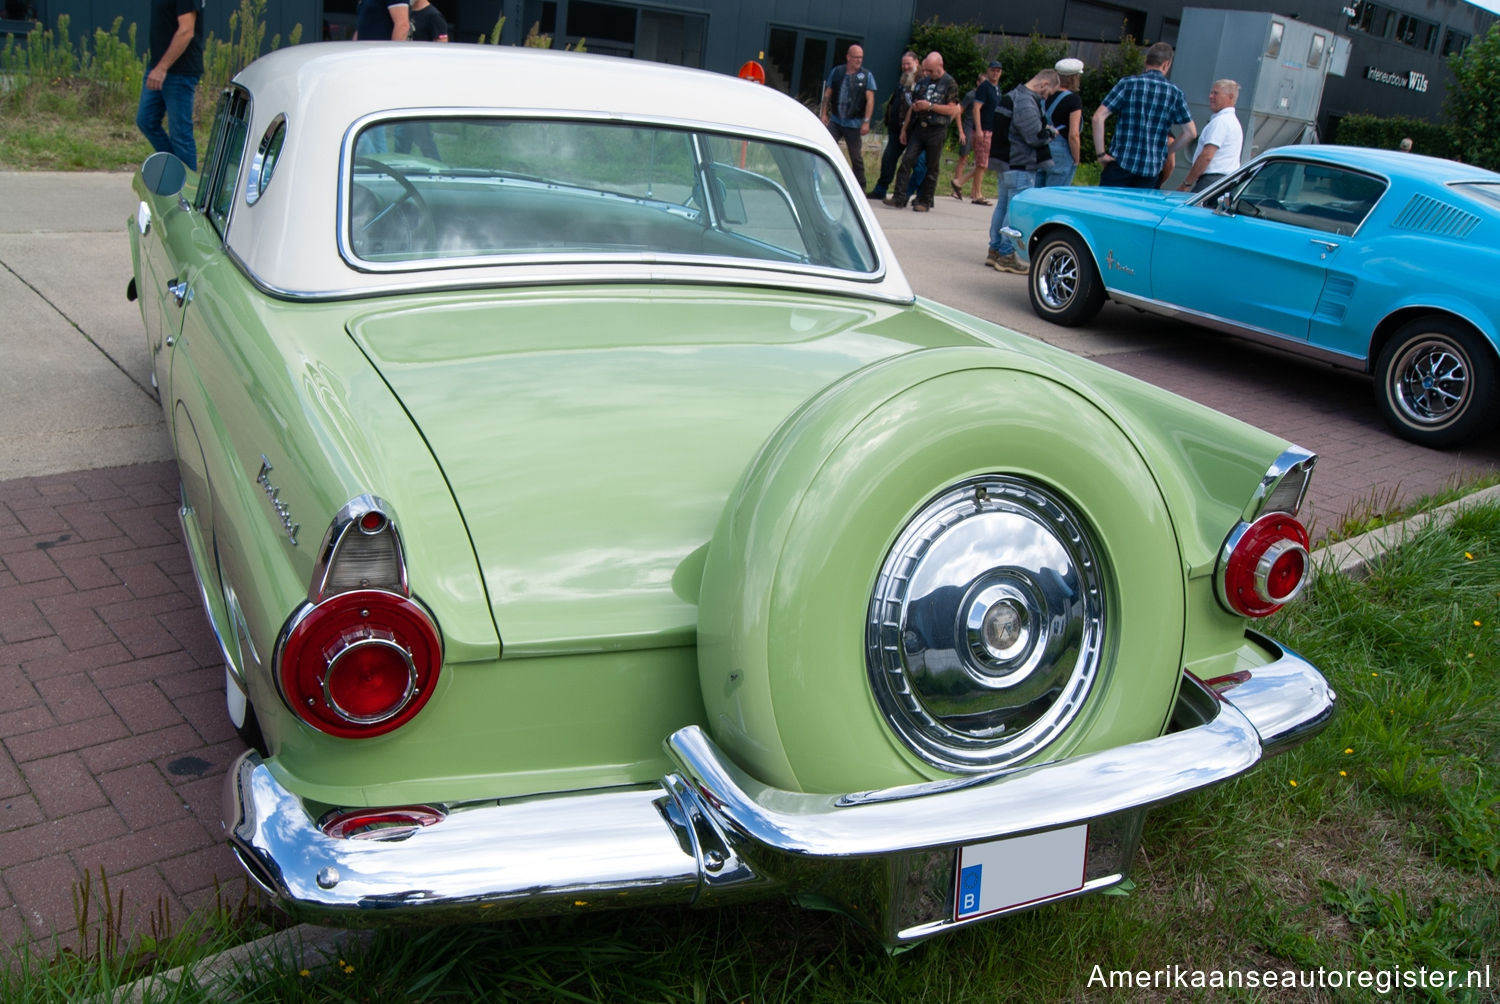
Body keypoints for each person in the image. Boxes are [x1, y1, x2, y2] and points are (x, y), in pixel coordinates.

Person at [1092, 41, 1196, 189]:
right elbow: (1190, 133)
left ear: (1146, 61)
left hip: (1120, 163)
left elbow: (1098, 117)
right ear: (1166, 64)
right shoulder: (1175, 93)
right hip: (1150, 169)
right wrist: (1165, 152)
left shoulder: (1127, 84)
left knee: (1109, 209)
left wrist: (1101, 154)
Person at [987, 69, 1059, 273]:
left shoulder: (1012, 95)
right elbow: (1035, 136)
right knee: (1014, 211)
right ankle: (1007, 253)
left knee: (1002, 206)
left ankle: (994, 250)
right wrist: (1051, 133)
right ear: (1044, 84)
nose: (1045, 98)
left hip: (1006, 163)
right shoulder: (1026, 101)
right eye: (1047, 93)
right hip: (1020, 163)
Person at [136, 0, 205, 171]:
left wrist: (162, 68)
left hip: (179, 71)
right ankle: (175, 173)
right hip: (158, 66)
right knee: (146, 120)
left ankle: (188, 191)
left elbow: (186, 31)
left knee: (180, 135)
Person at [888, 52, 960, 212]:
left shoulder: (950, 83)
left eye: (931, 71)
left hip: (937, 130)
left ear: (940, 66)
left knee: (931, 166)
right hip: (919, 128)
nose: (927, 73)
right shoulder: (922, 82)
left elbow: (952, 109)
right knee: (907, 160)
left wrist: (930, 106)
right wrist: (904, 129)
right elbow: (912, 108)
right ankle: (899, 197)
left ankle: (924, 200)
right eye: (925, 70)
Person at [820, 45, 876, 193]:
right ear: (848, 57)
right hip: (837, 120)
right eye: (856, 57)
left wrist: (866, 121)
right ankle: (819, 180)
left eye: (861, 57)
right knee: (825, 146)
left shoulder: (866, 76)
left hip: (854, 122)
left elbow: (870, 99)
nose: (859, 60)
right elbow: (828, 93)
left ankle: (860, 187)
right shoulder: (837, 72)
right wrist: (824, 113)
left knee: (855, 156)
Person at [869, 51, 919, 199]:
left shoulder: (922, 80)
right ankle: (880, 190)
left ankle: (912, 193)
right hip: (896, 128)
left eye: (908, 63)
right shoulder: (903, 80)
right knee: (888, 159)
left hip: (913, 131)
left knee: (916, 164)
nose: (905, 67)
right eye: (903, 64)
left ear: (917, 62)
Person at [1179, 79, 1242, 192]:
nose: (1210, 96)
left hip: (1211, 181)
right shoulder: (1232, 121)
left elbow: (1207, 156)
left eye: (1216, 93)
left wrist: (1186, 183)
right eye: (1211, 92)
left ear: (1230, 97)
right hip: (1224, 182)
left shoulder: (1221, 122)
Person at [1038, 57, 1084, 188]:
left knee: (1037, 196)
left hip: (1041, 148)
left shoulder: (1045, 95)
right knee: (1054, 197)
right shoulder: (1073, 100)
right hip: (1061, 153)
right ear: (1074, 78)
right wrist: (1076, 158)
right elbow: (1073, 134)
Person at [949, 74, 981, 199]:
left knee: (981, 163)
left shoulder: (986, 96)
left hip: (979, 130)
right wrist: (961, 131)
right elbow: (958, 111)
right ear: (978, 82)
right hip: (968, 128)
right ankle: (956, 187)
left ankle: (975, 190)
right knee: (963, 158)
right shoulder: (971, 95)